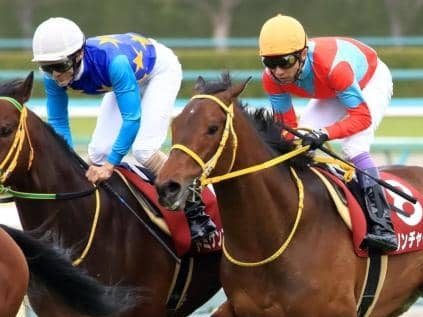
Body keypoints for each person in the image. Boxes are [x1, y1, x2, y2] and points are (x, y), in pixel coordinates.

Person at [31, 17, 216, 251]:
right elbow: (58, 121)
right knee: (97, 153)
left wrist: (110, 166)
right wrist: (68, 163)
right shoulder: (53, 77)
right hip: (126, 76)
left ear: (78, 55)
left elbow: (132, 119)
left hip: (159, 71)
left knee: (144, 150)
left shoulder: (112, 62)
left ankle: (196, 207)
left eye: (60, 66)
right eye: (47, 67)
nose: (55, 75)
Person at [259, 14, 398, 253]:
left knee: (353, 147)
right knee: (301, 139)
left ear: (302, 54)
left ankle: (383, 224)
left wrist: (325, 133)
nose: (278, 71)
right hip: (331, 88)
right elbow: (287, 127)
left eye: (285, 61)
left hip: (368, 80)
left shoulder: (334, 68)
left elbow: (362, 117)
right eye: (270, 63)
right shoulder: (271, 78)